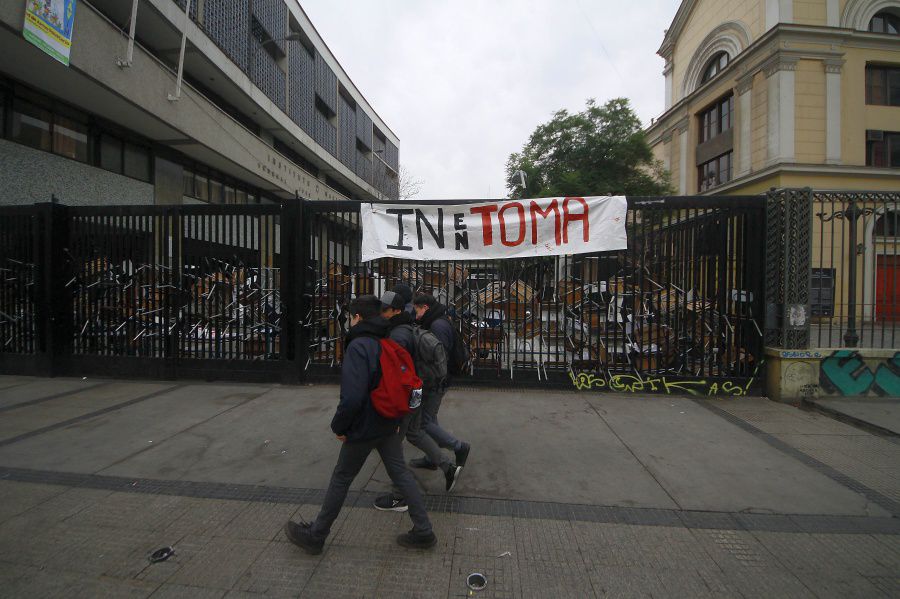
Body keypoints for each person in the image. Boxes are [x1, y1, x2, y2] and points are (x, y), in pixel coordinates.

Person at [284, 295, 436, 554]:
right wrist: (397, 419)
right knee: (400, 473)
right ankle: (424, 530)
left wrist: (340, 427)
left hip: (366, 425)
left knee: (342, 477)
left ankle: (316, 535)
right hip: (388, 421)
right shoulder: (385, 341)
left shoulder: (359, 346)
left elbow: (353, 397)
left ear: (357, 317)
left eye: (350, 317)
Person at [373, 291, 460, 513]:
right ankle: (447, 466)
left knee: (392, 445)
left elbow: (397, 371)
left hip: (406, 395)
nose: (381, 313)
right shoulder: (406, 327)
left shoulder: (398, 335)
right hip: (416, 390)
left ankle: (399, 495)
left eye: (385, 309)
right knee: (415, 432)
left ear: (397, 310)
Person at [410, 293, 471, 472]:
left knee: (423, 421)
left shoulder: (437, 325)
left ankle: (458, 446)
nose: (416, 315)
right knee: (431, 418)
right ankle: (432, 457)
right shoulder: (438, 320)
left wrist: (432, 380)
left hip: (436, 380)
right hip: (439, 379)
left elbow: (439, 356)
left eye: (417, 310)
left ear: (425, 308)